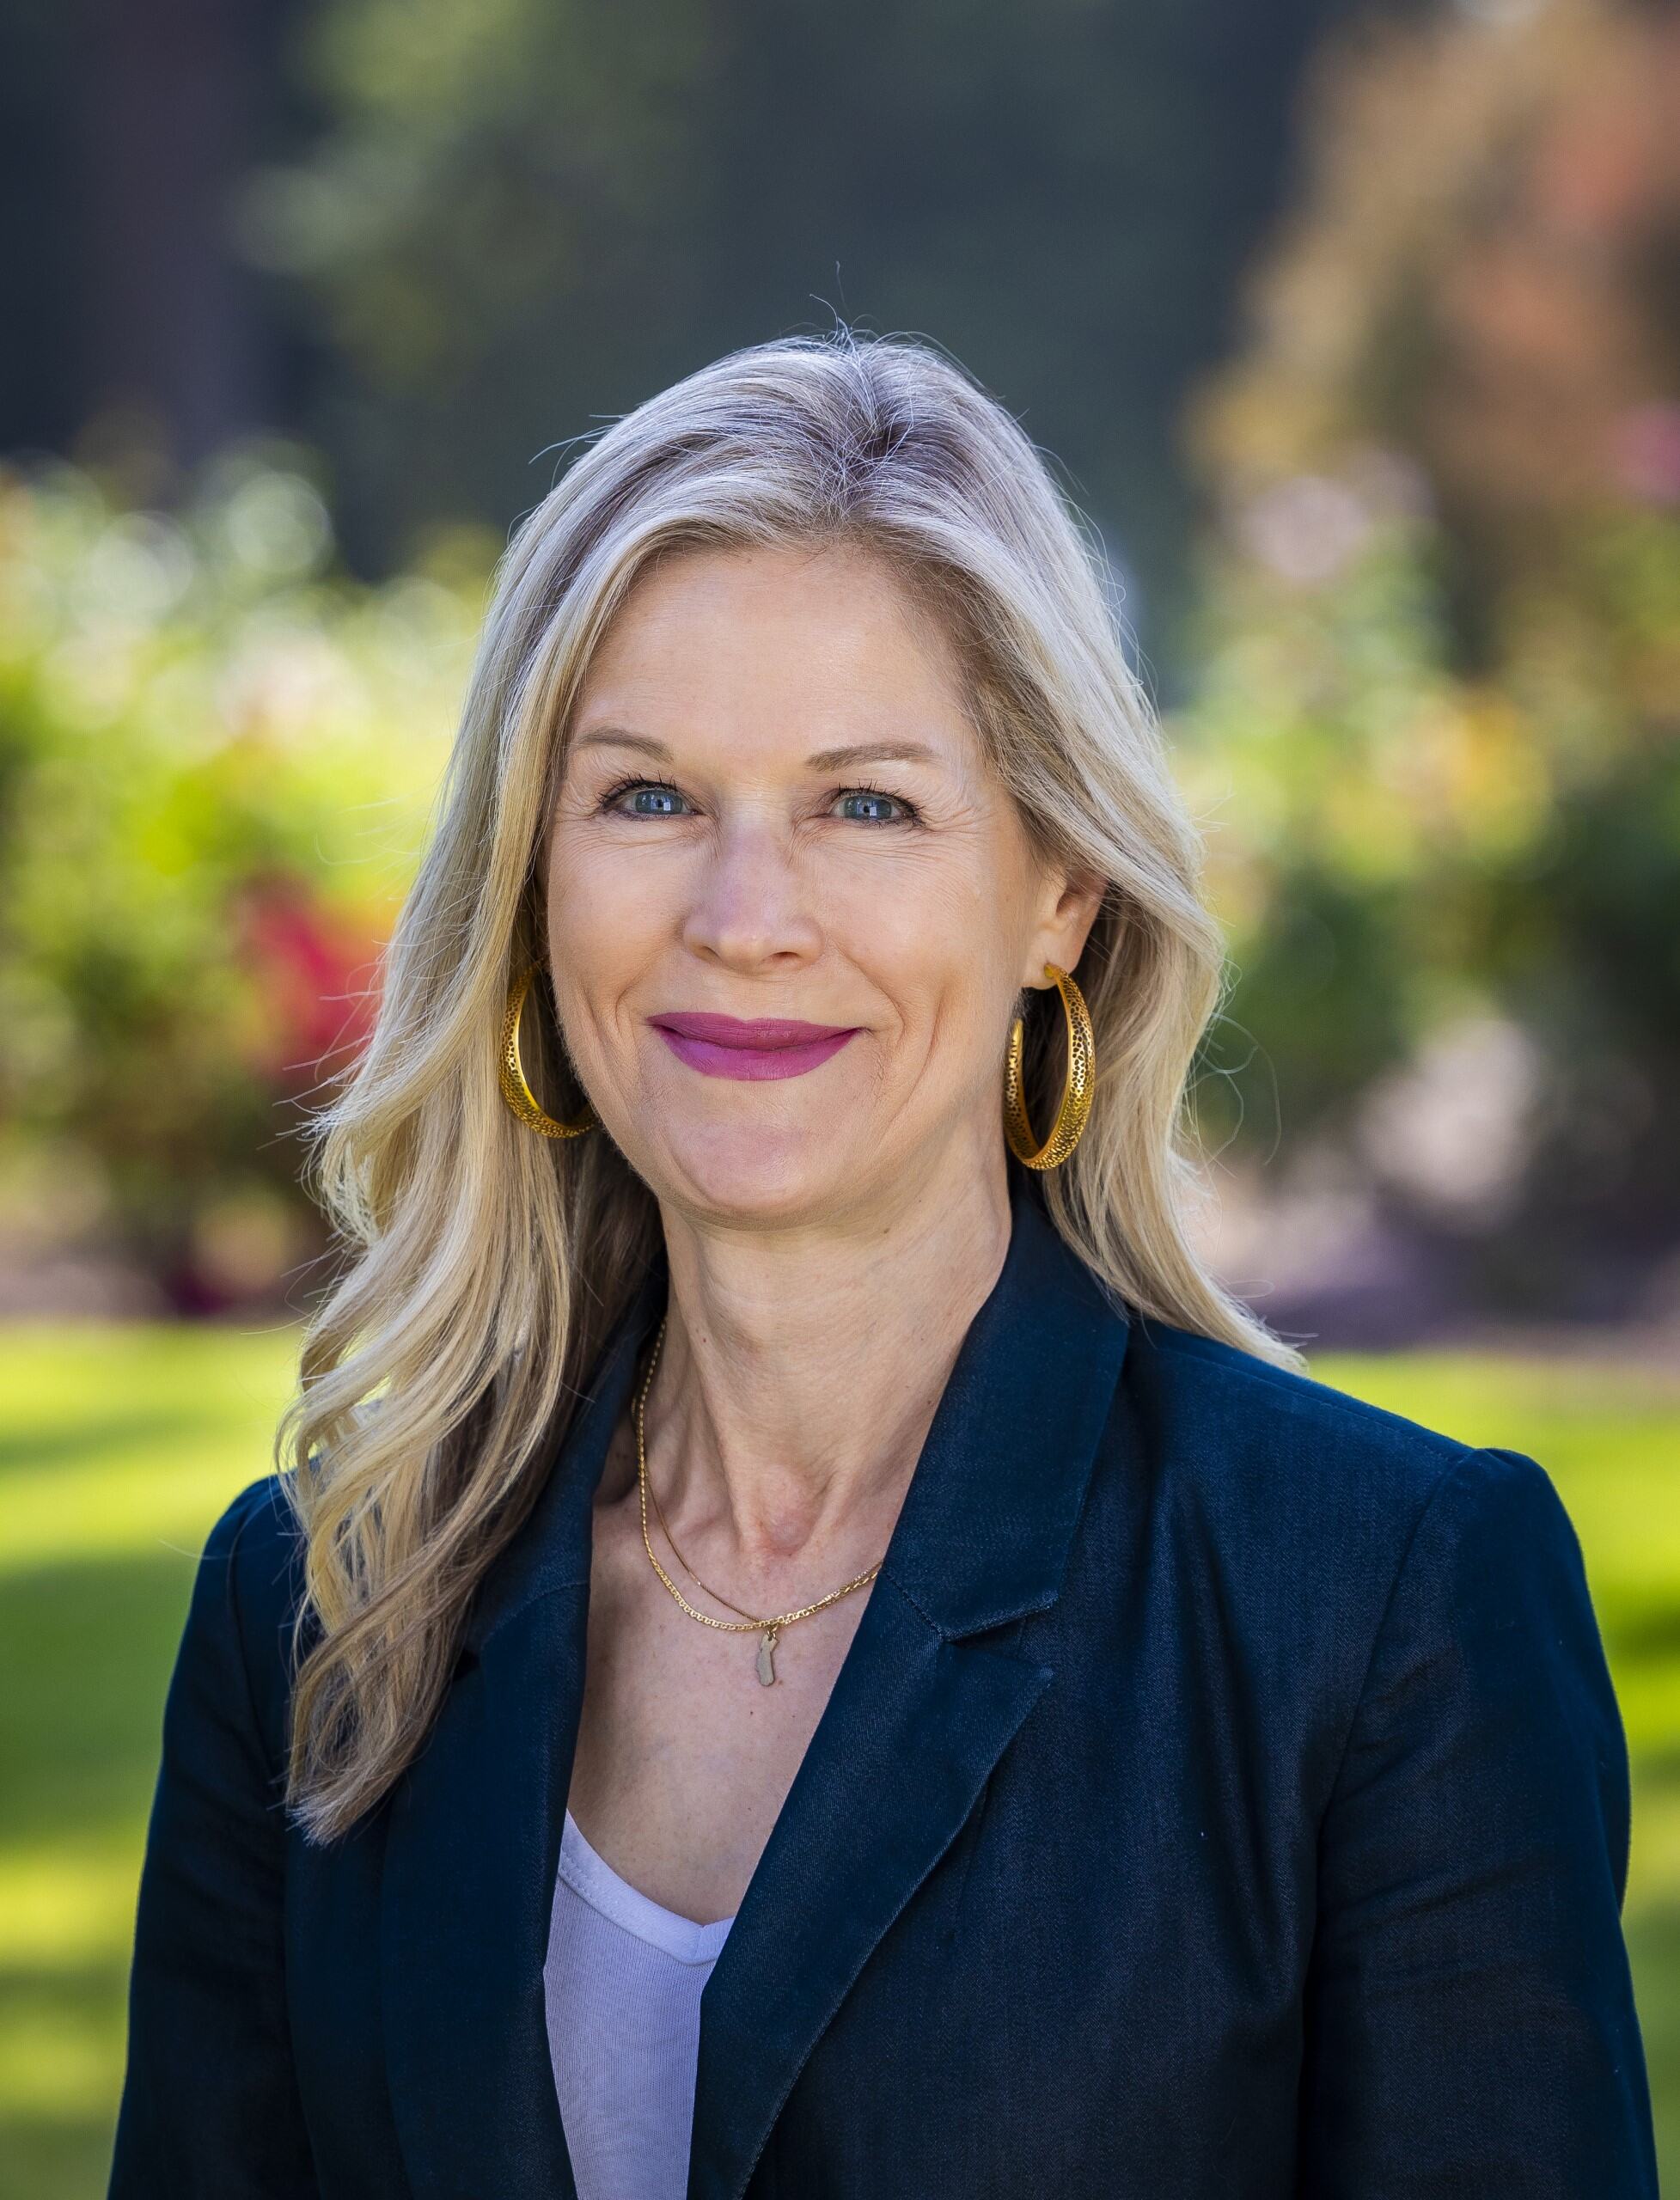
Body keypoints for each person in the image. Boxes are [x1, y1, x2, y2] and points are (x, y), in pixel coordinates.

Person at [107, 329, 1658, 2200]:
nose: (744, 920)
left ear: (1058, 893)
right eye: (648, 796)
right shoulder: (321, 1611)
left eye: (867, 804)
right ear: (530, 883)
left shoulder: (1381, 1608)